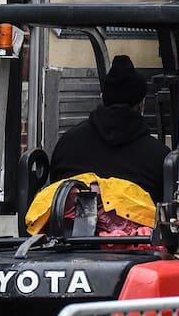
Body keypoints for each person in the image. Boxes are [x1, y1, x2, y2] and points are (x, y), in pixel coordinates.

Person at [49, 54, 170, 204]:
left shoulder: (66, 145)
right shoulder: (160, 158)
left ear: (102, 98)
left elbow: (54, 199)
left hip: (72, 227)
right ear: (142, 105)